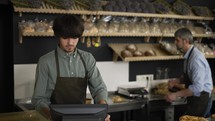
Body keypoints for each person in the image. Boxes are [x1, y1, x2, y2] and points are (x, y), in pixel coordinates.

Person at [31, 15, 110, 121]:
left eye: (74, 37)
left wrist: (102, 110)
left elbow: (99, 88)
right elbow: (39, 99)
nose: (70, 42)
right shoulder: (45, 62)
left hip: (82, 118)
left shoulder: (87, 59)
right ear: (58, 36)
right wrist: (50, 115)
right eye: (65, 37)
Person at [165, 27, 213, 117]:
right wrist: (177, 81)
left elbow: (197, 88)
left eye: (177, 40)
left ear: (186, 41)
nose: (175, 43)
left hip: (201, 99)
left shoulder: (196, 60)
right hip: (195, 99)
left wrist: (175, 95)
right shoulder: (188, 55)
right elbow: (189, 75)